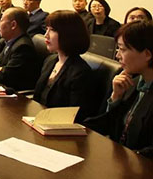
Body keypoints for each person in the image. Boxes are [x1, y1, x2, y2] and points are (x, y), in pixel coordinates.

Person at [85, 21, 153, 158]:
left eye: (123, 49)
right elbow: (109, 126)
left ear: (147, 54)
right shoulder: (132, 82)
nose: (117, 56)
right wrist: (116, 97)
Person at [34, 10, 92, 122]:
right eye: (47, 29)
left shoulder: (80, 72)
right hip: (39, 119)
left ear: (68, 34)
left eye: (52, 30)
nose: (46, 35)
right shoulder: (50, 61)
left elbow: (74, 115)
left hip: (57, 126)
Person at [0, 8, 40, 91]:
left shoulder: (23, 47)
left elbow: (5, 77)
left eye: (1, 20)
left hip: (12, 94)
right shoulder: (3, 42)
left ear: (13, 25)